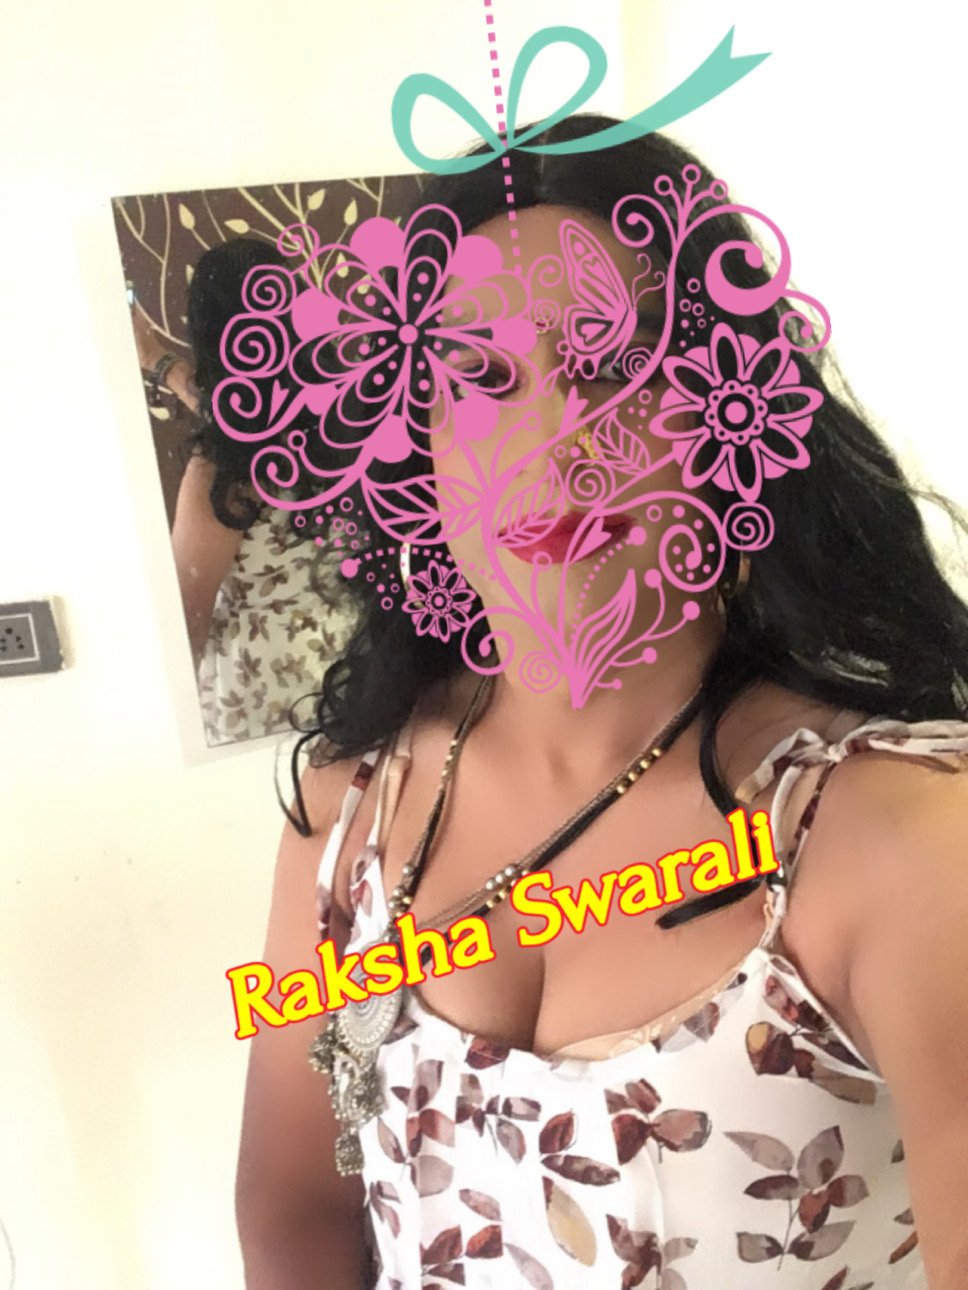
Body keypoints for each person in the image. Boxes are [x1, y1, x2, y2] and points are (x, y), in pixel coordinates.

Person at [235, 118, 968, 1288]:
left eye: (612, 365)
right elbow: (290, 1211)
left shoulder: (895, 831)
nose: (552, 435)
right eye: (480, 377)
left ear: (725, 410)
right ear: (418, 447)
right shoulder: (346, 822)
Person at [150, 238, 358, 744]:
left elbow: (185, 620)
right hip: (352, 670)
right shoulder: (348, 418)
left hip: (264, 695)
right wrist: (162, 365)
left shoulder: (222, 471)